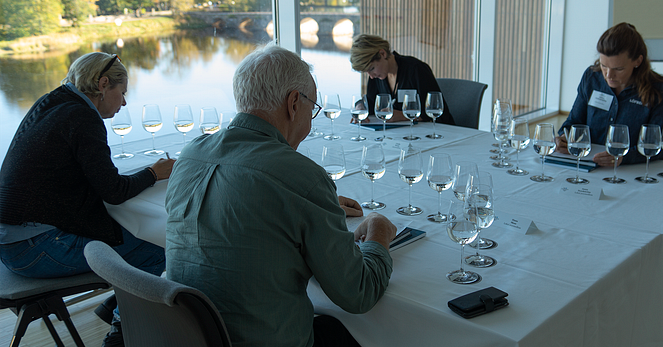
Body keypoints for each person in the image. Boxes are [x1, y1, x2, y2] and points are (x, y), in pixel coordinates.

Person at [165, 44, 397, 347]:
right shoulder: (302, 178)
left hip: (185, 336)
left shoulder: (190, 155)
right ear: (293, 104)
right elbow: (359, 293)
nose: (310, 122)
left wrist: (314, 207)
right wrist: (379, 234)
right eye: (312, 108)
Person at [0, 52, 175, 347]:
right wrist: (153, 173)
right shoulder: (82, 118)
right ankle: (122, 328)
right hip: (34, 250)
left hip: (11, 239)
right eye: (122, 93)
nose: (124, 102)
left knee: (126, 237)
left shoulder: (52, 102)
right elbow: (114, 191)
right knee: (160, 250)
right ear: (103, 84)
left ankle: (114, 303)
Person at [556, 23, 663, 166]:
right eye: (604, 66)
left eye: (618, 68)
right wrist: (563, 137)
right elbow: (574, 121)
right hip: (589, 164)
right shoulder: (592, 78)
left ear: (638, 61)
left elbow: (657, 147)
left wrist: (624, 157)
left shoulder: (660, 90)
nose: (609, 75)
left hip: (635, 171)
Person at [349, 34, 455, 124]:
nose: (371, 76)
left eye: (372, 68)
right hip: (401, 137)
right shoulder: (378, 75)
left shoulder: (416, 69)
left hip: (437, 136)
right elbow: (371, 102)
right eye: (367, 72)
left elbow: (440, 114)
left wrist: (403, 116)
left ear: (382, 54)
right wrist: (360, 107)